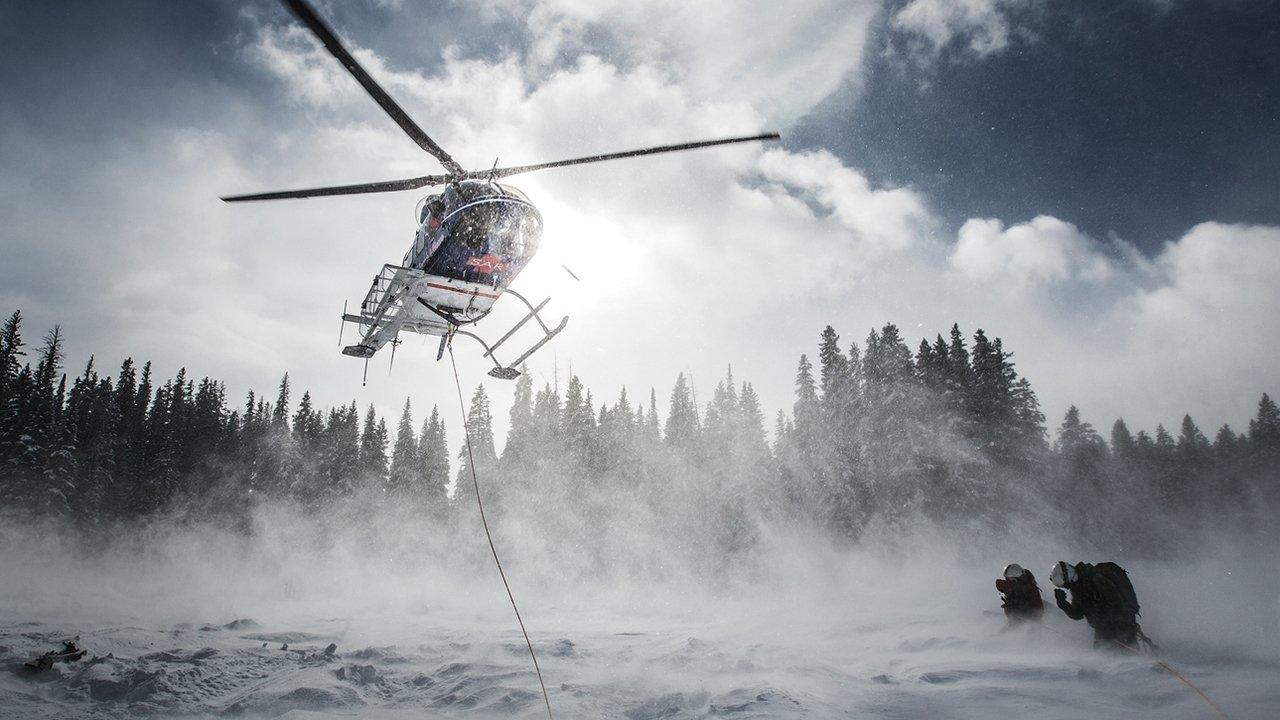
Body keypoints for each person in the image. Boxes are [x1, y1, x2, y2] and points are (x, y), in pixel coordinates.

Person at [1050, 560, 1150, 648]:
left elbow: (1116, 604)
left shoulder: (1096, 579)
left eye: (1064, 584)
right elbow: (1078, 614)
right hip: (1104, 629)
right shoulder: (1077, 588)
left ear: (1068, 574)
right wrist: (1063, 603)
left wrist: (1109, 626)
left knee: (1129, 654)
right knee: (1102, 656)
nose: (1066, 587)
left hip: (1121, 624)